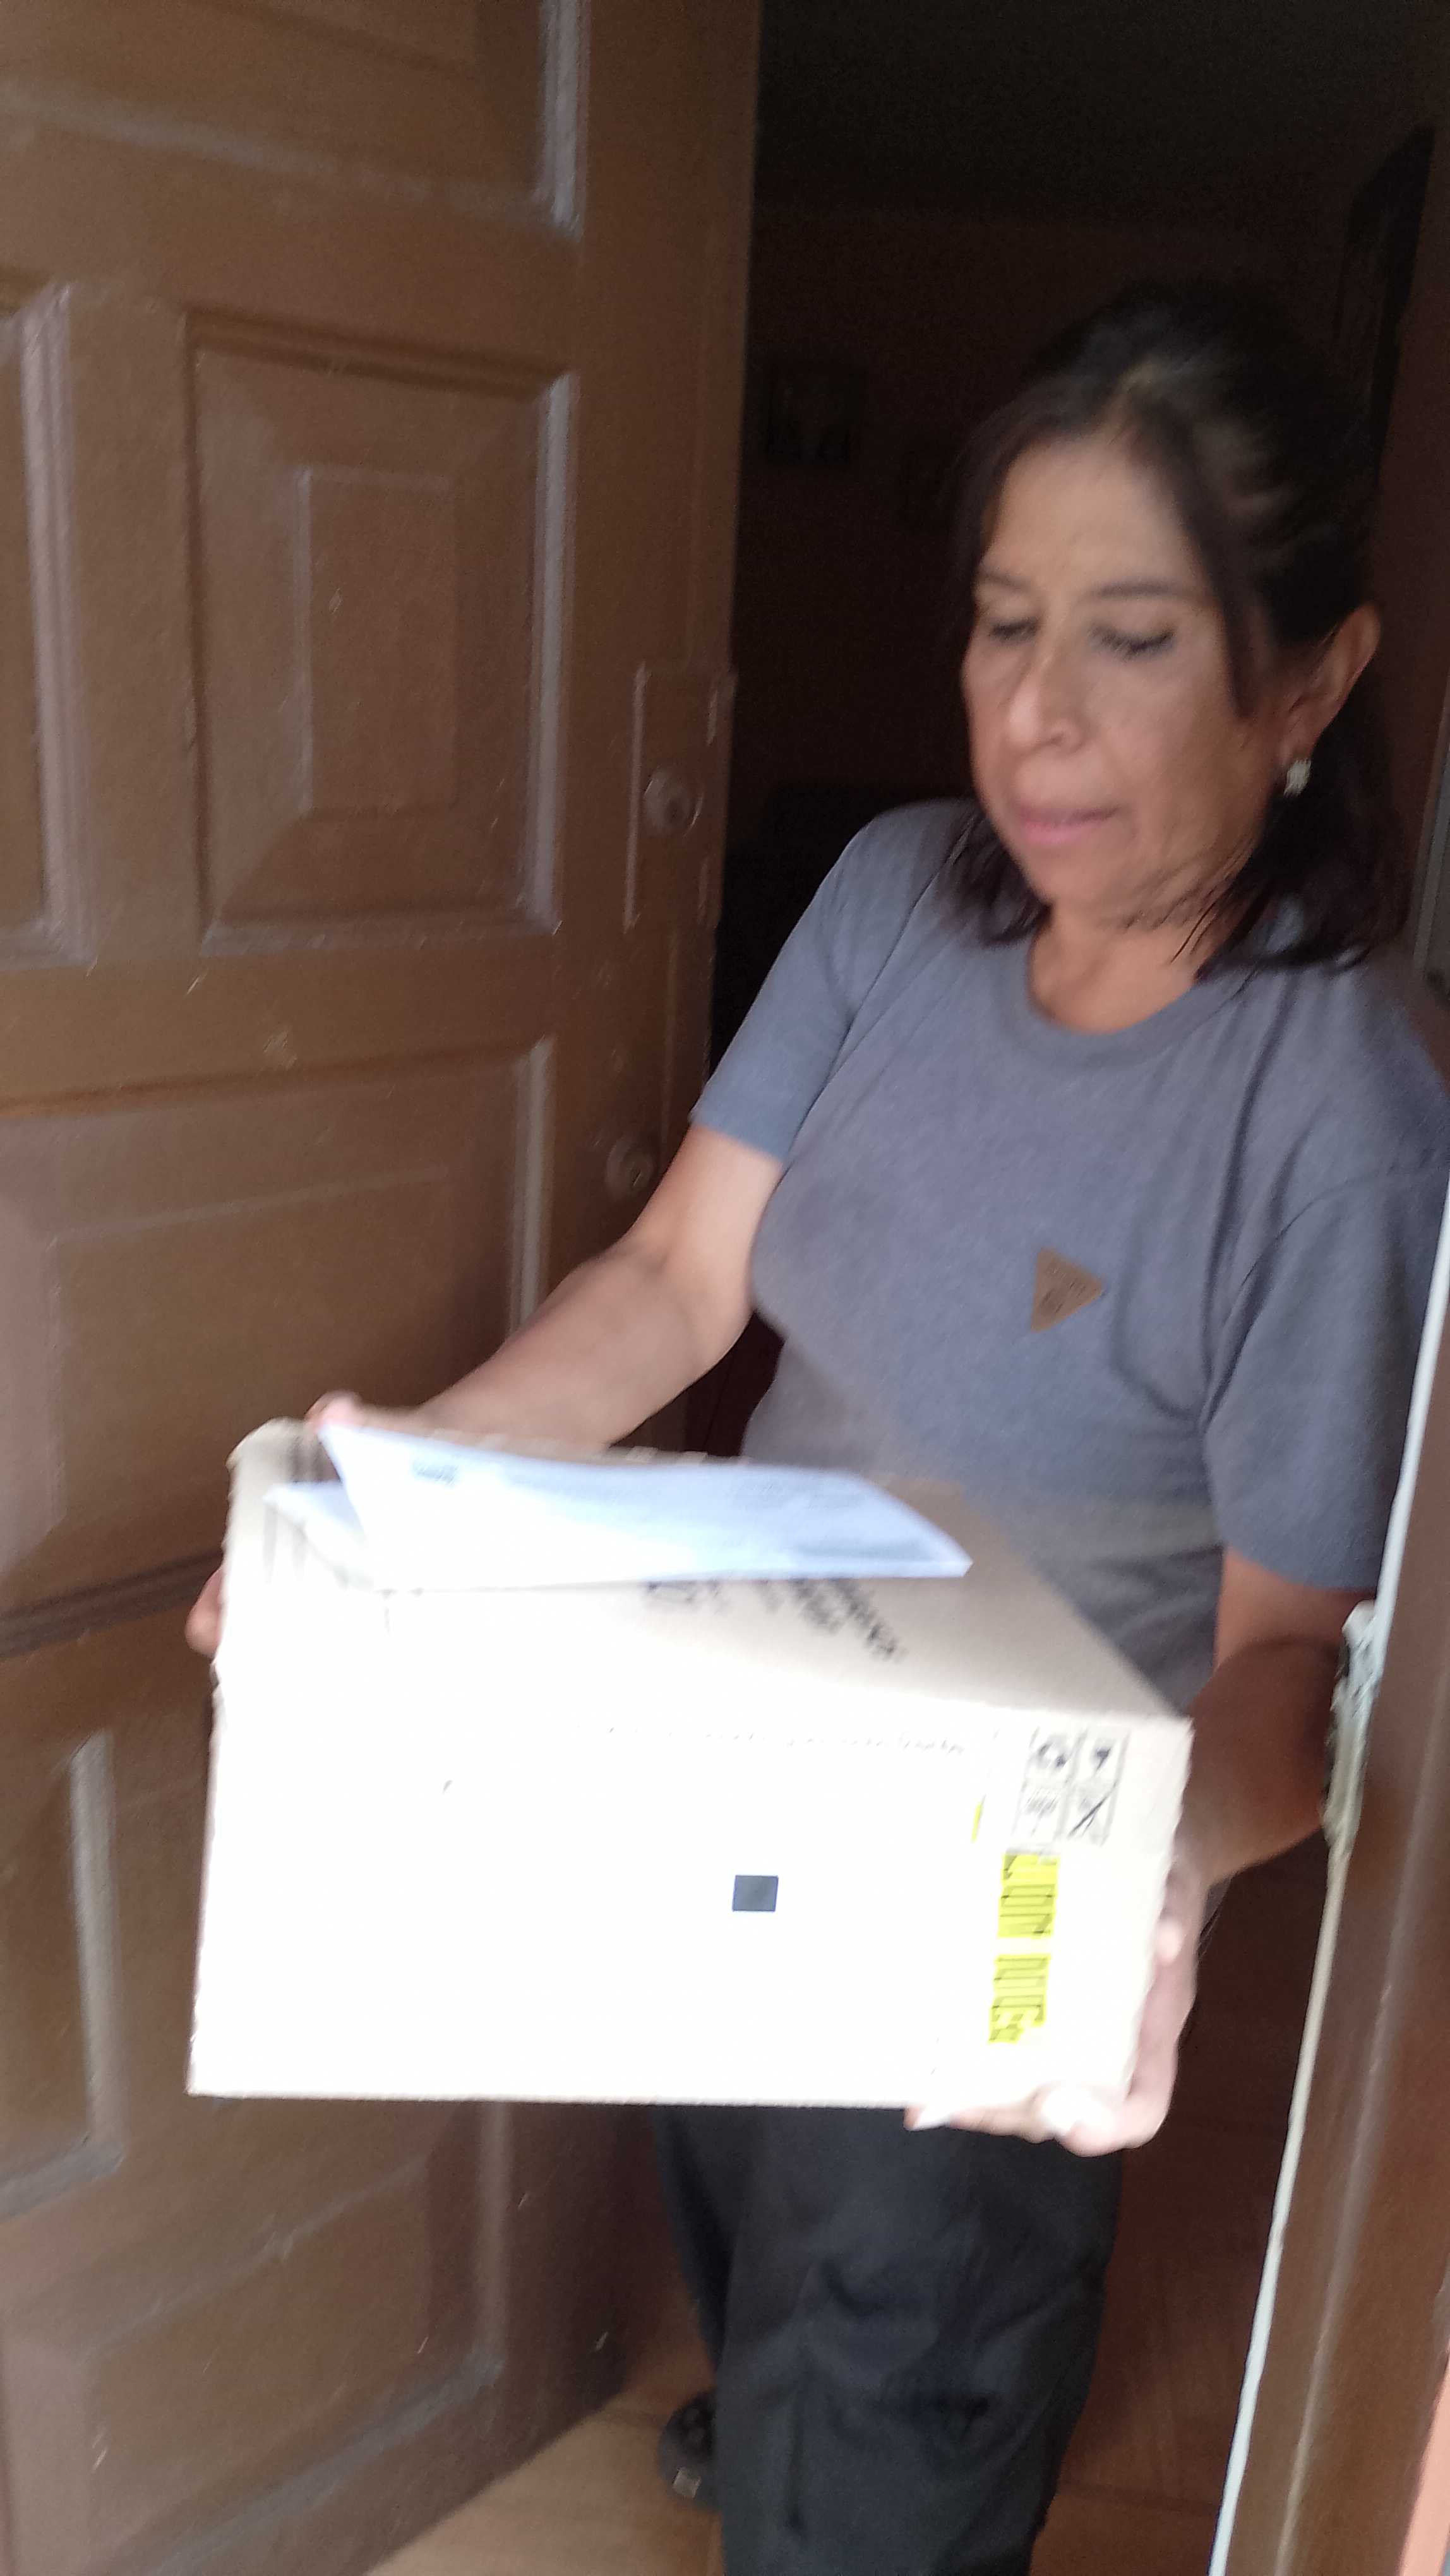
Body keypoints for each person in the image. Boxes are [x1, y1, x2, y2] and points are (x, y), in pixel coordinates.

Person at [189, 283, 1450, 2574]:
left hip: (998, 1886)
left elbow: (1296, 1673)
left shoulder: (1337, 1108)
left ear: (1310, 682)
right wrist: (399, 1493)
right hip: (747, 1755)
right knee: (745, 2215)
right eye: (1004, 624)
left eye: (1134, 640)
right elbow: (679, 1280)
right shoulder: (892, 901)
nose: (1037, 715)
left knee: (896, 2373)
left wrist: (1148, 1879)